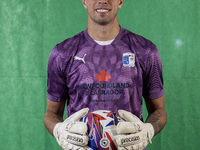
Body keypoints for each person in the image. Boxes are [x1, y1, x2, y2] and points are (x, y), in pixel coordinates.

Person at [44, 0, 167, 149]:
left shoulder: (145, 51)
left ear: (120, 1)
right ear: (84, 1)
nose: (102, 0)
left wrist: (148, 130)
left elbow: (158, 110)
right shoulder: (62, 53)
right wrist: (59, 130)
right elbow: (51, 112)